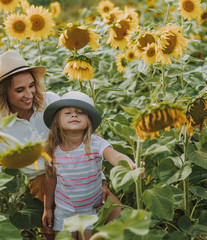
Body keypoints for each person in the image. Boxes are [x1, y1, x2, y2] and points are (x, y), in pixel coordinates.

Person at [0, 51, 121, 240]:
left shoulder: (50, 101)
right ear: (4, 93)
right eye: (20, 90)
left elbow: (84, 136)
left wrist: (102, 179)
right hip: (43, 185)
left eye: (32, 86)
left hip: (82, 170)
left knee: (118, 220)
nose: (29, 94)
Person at [42, 91, 138, 240]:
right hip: (64, 213)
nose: (74, 115)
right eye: (68, 112)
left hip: (90, 211)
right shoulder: (52, 150)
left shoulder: (94, 143)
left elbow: (114, 155)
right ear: (57, 121)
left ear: (88, 122)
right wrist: (47, 208)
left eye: (80, 113)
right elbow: (50, 179)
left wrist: (130, 166)